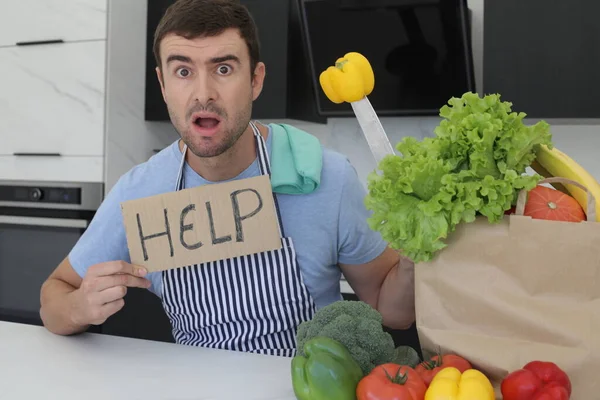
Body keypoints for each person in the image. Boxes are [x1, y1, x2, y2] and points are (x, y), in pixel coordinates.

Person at [39, 0, 415, 356]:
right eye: (183, 71)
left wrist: (419, 258)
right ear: (164, 85)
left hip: (312, 385)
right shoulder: (139, 192)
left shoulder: (325, 177)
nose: (204, 94)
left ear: (255, 80)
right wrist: (78, 307)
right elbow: (53, 295)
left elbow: (393, 311)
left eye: (223, 69)